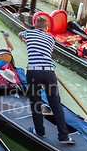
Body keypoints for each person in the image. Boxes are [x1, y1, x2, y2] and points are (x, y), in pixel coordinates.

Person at [18, 16, 75, 144]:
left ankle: (39, 132)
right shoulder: (50, 39)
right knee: (55, 104)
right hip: (49, 72)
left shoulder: (29, 33)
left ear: (35, 25)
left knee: (36, 103)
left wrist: (23, 38)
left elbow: (19, 33)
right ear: (47, 27)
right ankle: (64, 136)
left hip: (33, 71)